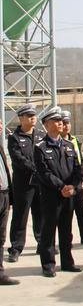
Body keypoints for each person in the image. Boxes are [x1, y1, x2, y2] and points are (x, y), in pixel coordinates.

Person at [35, 106, 83, 277]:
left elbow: (78, 169)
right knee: (49, 231)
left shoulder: (69, 145)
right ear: (47, 125)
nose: (61, 123)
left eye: (61, 121)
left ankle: (67, 262)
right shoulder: (40, 147)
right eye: (56, 121)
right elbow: (44, 173)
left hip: (69, 196)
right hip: (51, 197)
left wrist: (73, 187)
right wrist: (61, 187)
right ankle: (48, 264)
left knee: (66, 231)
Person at [7, 104, 45, 262]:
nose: (33, 118)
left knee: (40, 213)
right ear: (21, 118)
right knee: (20, 215)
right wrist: (36, 168)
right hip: (23, 184)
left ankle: (42, 243)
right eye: (29, 116)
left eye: (34, 115)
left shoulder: (40, 136)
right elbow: (18, 159)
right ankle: (16, 248)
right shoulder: (14, 138)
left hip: (40, 183)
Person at [60, 111, 83, 245]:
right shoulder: (57, 141)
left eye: (67, 123)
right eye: (63, 123)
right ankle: (66, 241)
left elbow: (79, 160)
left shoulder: (74, 139)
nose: (66, 126)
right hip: (65, 183)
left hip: (77, 182)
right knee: (67, 214)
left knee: (82, 211)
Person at [0, 120, 19, 285]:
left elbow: (6, 171)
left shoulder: (0, 148)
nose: (0, 126)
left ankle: (0, 273)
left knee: (1, 236)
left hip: (4, 196)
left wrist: (10, 197)